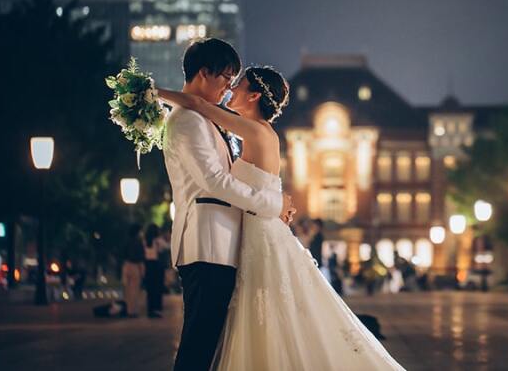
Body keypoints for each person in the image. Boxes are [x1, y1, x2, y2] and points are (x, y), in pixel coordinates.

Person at [159, 64, 405, 371]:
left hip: (259, 233)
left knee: (261, 315)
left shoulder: (251, 129)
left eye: (239, 85)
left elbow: (196, 104)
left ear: (254, 96)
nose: (231, 89)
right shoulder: (261, 132)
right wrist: (278, 201)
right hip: (259, 229)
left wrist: (150, 92)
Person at [160, 39, 296, 371]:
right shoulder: (189, 121)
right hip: (208, 244)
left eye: (236, 80)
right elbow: (215, 182)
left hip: (223, 244)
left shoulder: (207, 118)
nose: (227, 88)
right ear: (204, 73)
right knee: (199, 345)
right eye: (226, 77)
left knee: (209, 344)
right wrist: (272, 203)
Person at [121, 223, 145, 317]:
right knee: (134, 289)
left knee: (127, 289)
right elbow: (140, 256)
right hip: (135, 266)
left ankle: (128, 309)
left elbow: (122, 254)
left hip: (126, 265)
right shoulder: (138, 242)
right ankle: (133, 311)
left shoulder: (126, 241)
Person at [144, 223, 166, 318]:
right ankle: (157, 310)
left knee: (150, 288)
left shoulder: (145, 241)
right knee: (158, 288)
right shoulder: (158, 240)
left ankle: (150, 309)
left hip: (147, 265)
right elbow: (166, 247)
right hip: (157, 266)